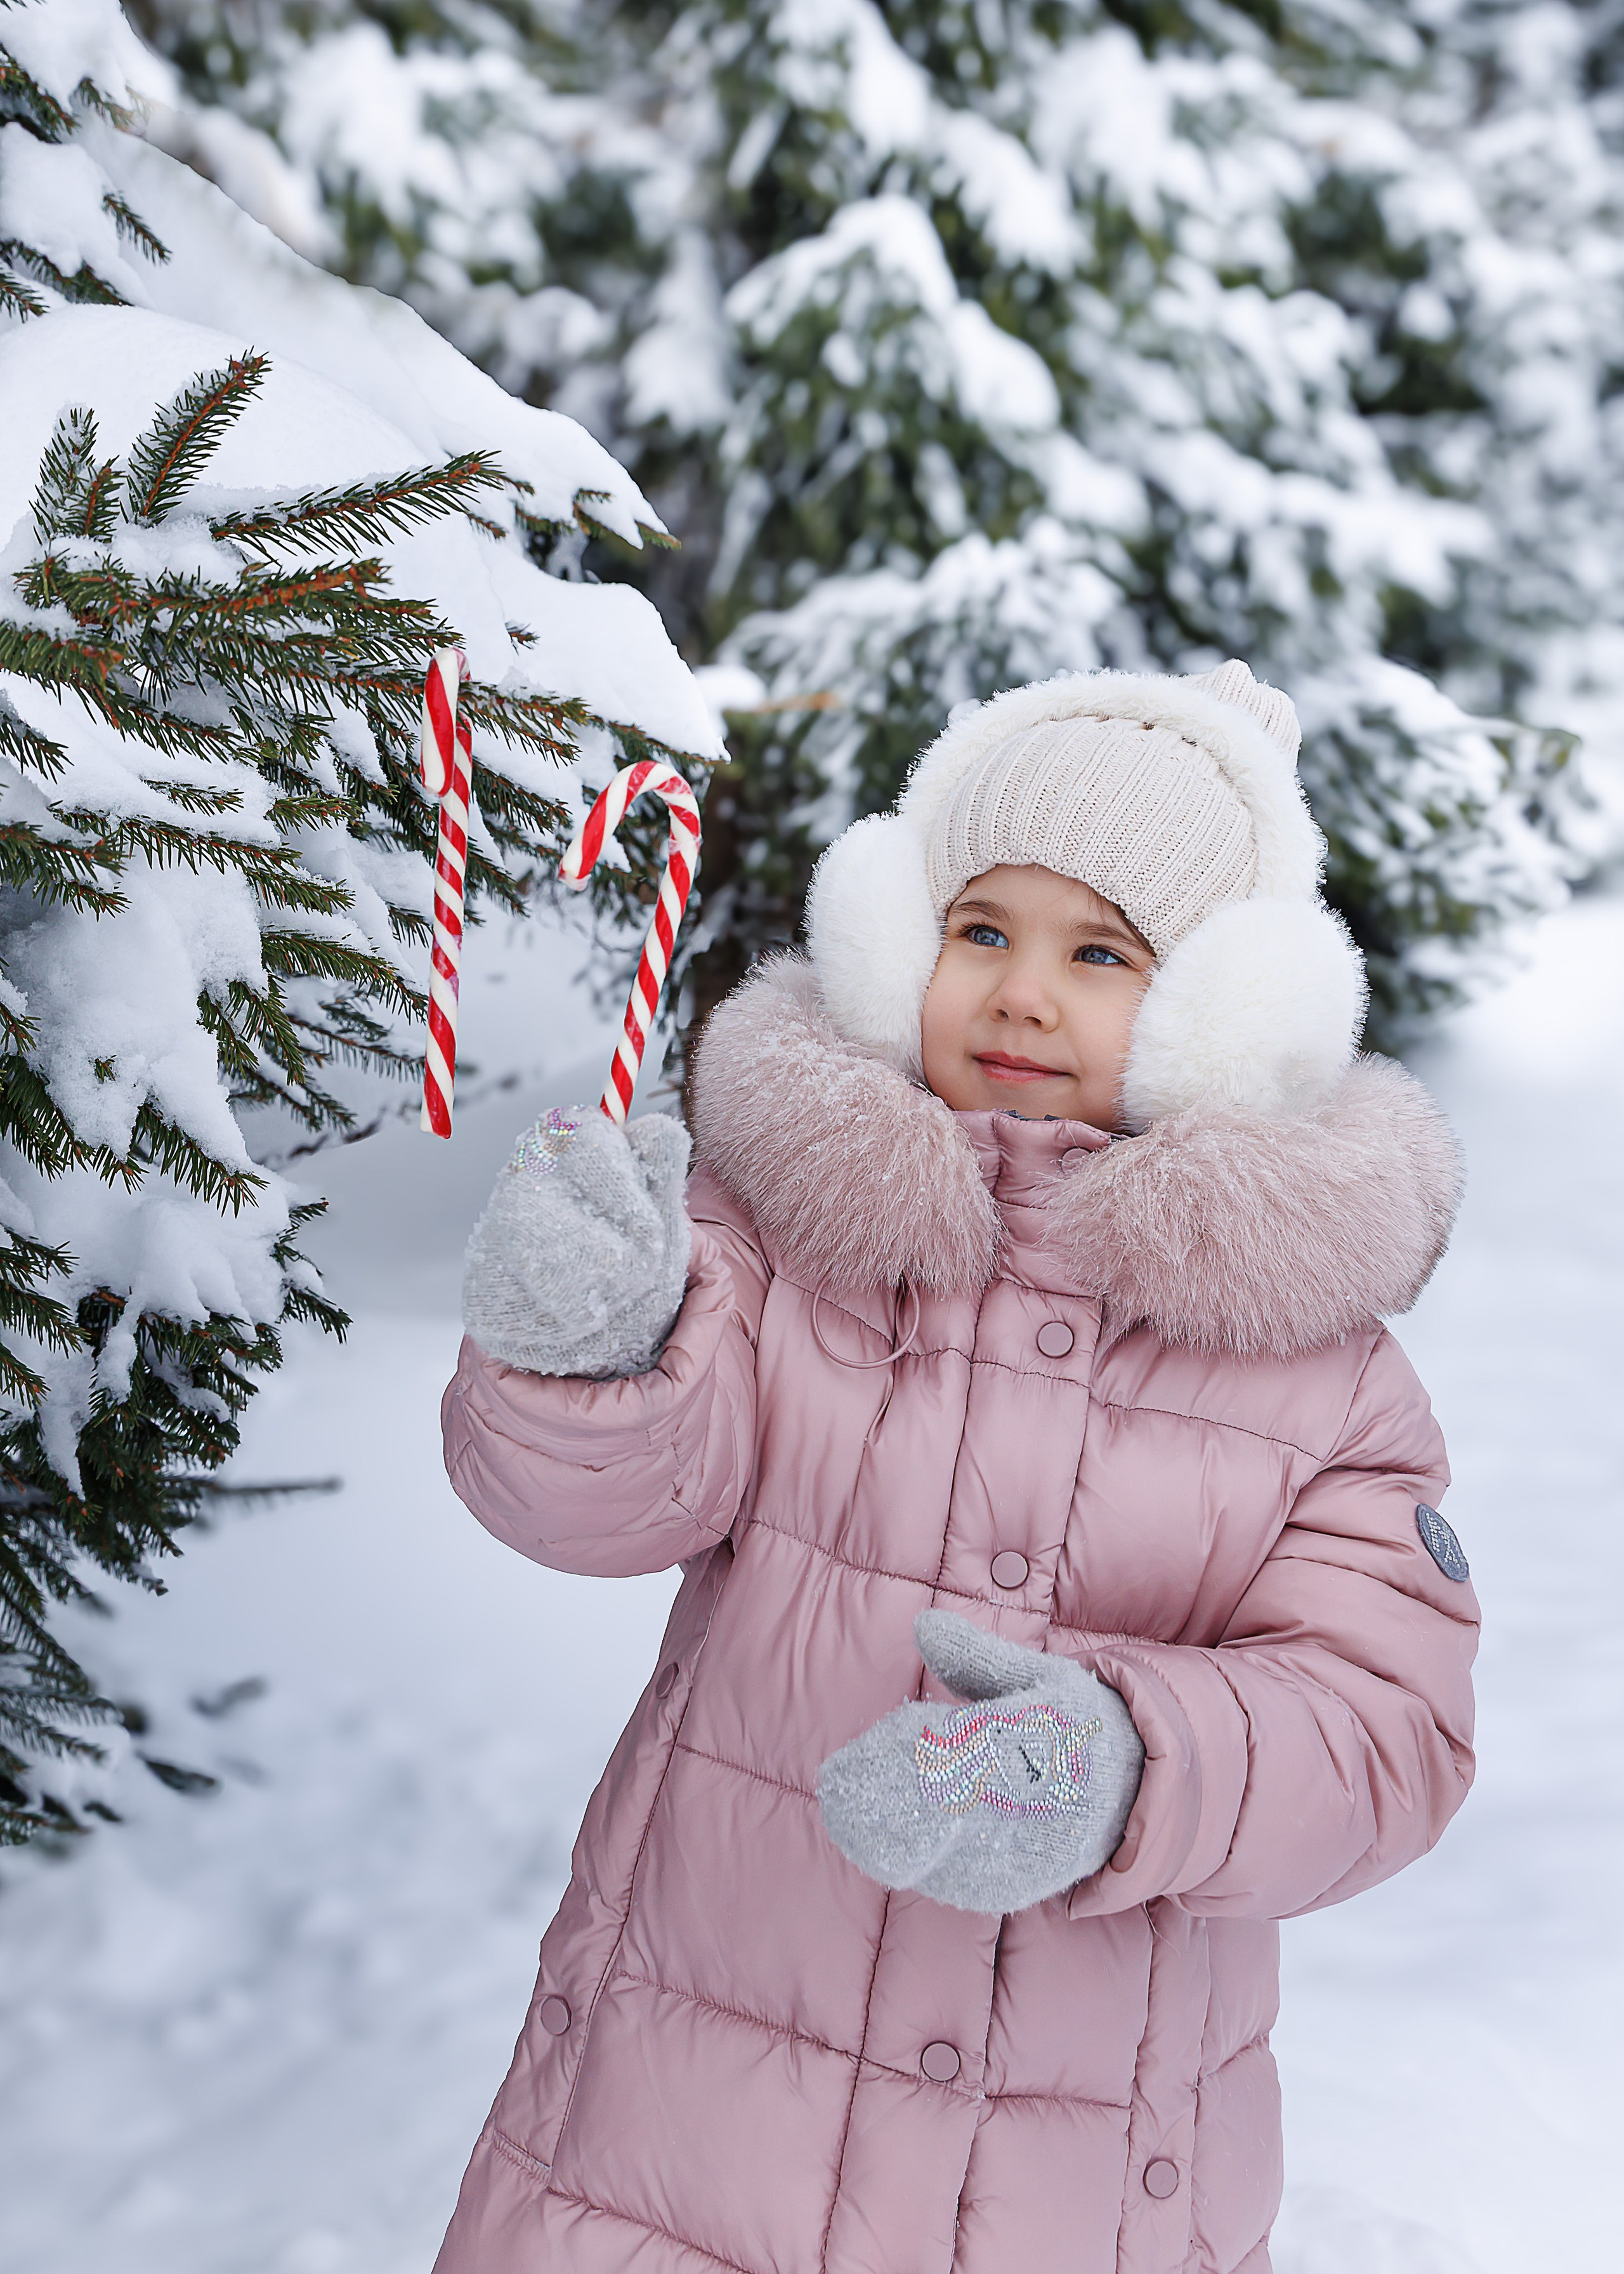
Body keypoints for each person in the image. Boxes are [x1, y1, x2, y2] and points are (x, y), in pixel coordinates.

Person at [433, 661, 1478, 2274]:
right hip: (681, 2127)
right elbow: (592, 1500)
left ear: (1229, 1008)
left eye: (1100, 954)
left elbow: (1384, 1728)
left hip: (1067, 2179)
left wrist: (1136, 1763)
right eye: (980, 929)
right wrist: (581, 1347)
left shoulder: (1314, 1362)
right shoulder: (787, 1235)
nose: (1018, 994)